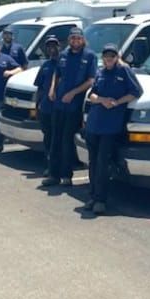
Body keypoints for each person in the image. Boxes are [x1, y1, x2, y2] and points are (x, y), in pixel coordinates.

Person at [83, 43, 143, 214]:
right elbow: (91, 94)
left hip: (110, 126)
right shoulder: (100, 72)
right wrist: (101, 99)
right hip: (94, 124)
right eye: (106, 56)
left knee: (103, 163)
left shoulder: (124, 72)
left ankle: (101, 200)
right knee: (93, 163)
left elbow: (136, 92)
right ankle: (93, 196)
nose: (108, 59)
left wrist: (117, 102)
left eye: (112, 56)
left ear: (117, 57)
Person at [42, 27, 97, 187]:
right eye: (72, 38)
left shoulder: (89, 56)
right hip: (59, 103)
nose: (75, 41)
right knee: (55, 140)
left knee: (67, 141)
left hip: (74, 106)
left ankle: (67, 176)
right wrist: (53, 88)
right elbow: (57, 73)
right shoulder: (64, 55)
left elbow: (90, 80)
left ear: (83, 39)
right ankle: (53, 175)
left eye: (78, 39)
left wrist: (73, 93)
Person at [33, 35, 60, 173]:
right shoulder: (45, 65)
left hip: (59, 109)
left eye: (54, 45)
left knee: (58, 139)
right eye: (49, 46)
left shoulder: (63, 64)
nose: (51, 49)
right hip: (45, 108)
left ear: (59, 46)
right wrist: (37, 106)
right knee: (48, 138)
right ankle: (49, 166)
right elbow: (39, 87)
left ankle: (57, 167)